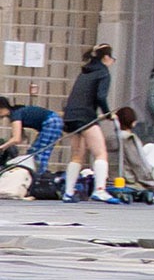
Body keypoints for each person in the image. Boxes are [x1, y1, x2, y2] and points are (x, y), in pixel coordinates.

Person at [60, 43, 115, 202]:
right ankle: (100, 189)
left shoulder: (85, 71)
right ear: (106, 57)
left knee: (77, 155)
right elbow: (101, 97)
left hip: (70, 115)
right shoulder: (103, 72)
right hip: (86, 116)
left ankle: (68, 192)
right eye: (112, 58)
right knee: (100, 152)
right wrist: (108, 114)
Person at [0, 96, 62, 174]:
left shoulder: (15, 115)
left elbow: (16, 139)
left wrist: (2, 147)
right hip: (52, 121)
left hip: (51, 122)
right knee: (33, 152)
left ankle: (38, 175)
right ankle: (36, 174)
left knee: (39, 152)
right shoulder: (15, 113)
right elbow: (21, 138)